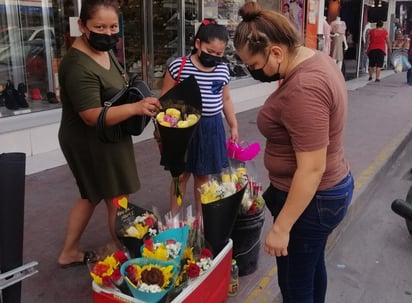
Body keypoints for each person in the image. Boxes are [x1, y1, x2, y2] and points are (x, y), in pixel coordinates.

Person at [233, 2, 354, 302]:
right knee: (311, 268)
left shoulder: (305, 88)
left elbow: (312, 168)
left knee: (295, 285)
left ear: (276, 51)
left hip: (314, 201)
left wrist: (282, 227)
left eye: (255, 66)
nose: (252, 72)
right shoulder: (312, 59)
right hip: (324, 195)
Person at [57, 0, 161, 268]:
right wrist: (135, 107)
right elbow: (91, 115)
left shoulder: (104, 51)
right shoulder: (76, 65)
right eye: (99, 27)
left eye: (113, 26)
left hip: (109, 134)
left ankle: (69, 252)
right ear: (82, 26)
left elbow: (118, 86)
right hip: (90, 139)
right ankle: (124, 254)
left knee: (91, 194)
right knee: (116, 196)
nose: (108, 33)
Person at [160, 19, 239, 216]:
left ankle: (201, 219)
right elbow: (164, 100)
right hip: (183, 128)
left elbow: (226, 99)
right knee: (180, 176)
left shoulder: (222, 69)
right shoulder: (179, 66)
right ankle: (174, 216)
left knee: (203, 177)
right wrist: (161, 131)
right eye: (210, 51)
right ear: (198, 44)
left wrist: (233, 125)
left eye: (219, 54)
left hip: (211, 127)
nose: (214, 57)